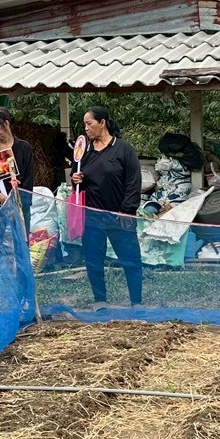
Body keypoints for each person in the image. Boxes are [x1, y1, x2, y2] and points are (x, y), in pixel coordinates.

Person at [71, 106, 143, 309]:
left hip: (120, 216)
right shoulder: (85, 152)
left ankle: (136, 301)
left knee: (130, 259)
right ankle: (100, 300)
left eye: (89, 123)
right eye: (85, 124)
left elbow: (133, 182)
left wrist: (127, 210)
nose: (86, 128)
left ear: (102, 123)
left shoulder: (123, 149)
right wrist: (75, 179)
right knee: (93, 260)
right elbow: (79, 182)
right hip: (92, 216)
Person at [0, 106, 35, 220]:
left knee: (21, 237)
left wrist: (18, 200)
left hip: (20, 205)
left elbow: (29, 178)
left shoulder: (24, 147)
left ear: (6, 123)